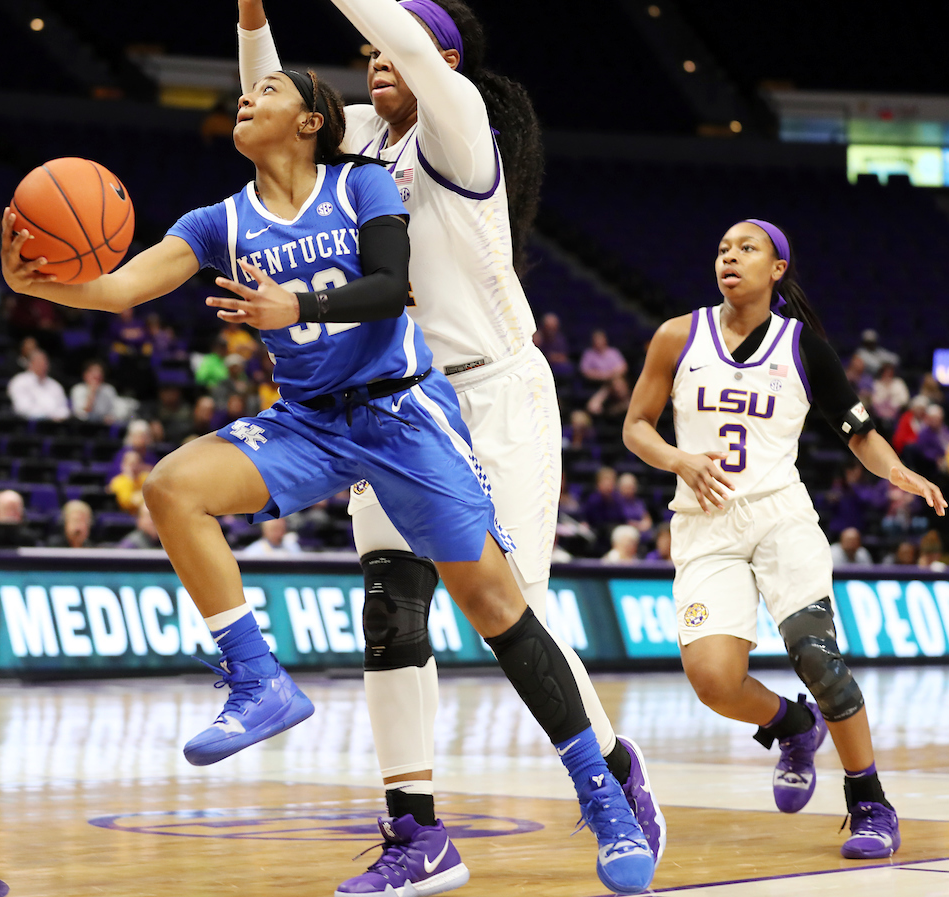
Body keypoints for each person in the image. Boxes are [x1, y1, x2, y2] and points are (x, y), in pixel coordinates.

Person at [3, 64, 654, 895]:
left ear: (311, 121)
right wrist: (46, 282)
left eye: (268, 90)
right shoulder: (219, 221)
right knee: (173, 486)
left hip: (405, 415)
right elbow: (125, 285)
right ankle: (257, 680)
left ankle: (604, 797)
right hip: (310, 421)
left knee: (498, 608)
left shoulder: (364, 186)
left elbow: (388, 289)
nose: (247, 96)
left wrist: (298, 311)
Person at [238, 10, 664, 892]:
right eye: (364, 61)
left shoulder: (460, 125)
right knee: (391, 606)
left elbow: (392, 26)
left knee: (518, 613)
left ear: (439, 60)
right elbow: (274, 102)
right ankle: (417, 834)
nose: (370, 66)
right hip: (399, 397)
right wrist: (253, 16)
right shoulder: (364, 141)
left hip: (495, 391)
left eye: (387, 52)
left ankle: (615, 772)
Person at [623, 218, 947, 860]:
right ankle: (792, 726)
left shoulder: (804, 348)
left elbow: (859, 431)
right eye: (721, 248)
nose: (729, 257)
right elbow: (636, 427)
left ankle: (870, 803)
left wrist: (897, 469)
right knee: (714, 680)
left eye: (747, 249)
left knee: (817, 657)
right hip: (704, 521)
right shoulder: (677, 336)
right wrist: (678, 459)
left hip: (779, 517)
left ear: (777, 270)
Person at [8, 349, 70, 421]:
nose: (43, 365)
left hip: (56, 425)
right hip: (28, 425)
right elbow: (22, 408)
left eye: (45, 362)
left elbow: (64, 409)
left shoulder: (55, 385)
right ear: (30, 363)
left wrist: (58, 416)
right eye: (39, 362)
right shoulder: (19, 381)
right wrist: (49, 416)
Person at [70, 359, 120, 424]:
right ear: (85, 375)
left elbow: (115, 411)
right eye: (94, 375)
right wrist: (92, 393)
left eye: (99, 374)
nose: (97, 375)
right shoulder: (78, 389)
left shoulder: (109, 390)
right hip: (83, 424)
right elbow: (80, 414)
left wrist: (110, 417)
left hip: (104, 425)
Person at [869, 362, 909, 431]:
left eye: (890, 373)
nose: (888, 375)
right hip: (878, 418)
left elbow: (905, 400)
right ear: (882, 373)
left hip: (896, 415)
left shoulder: (899, 383)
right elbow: (874, 401)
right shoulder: (876, 384)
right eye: (886, 372)